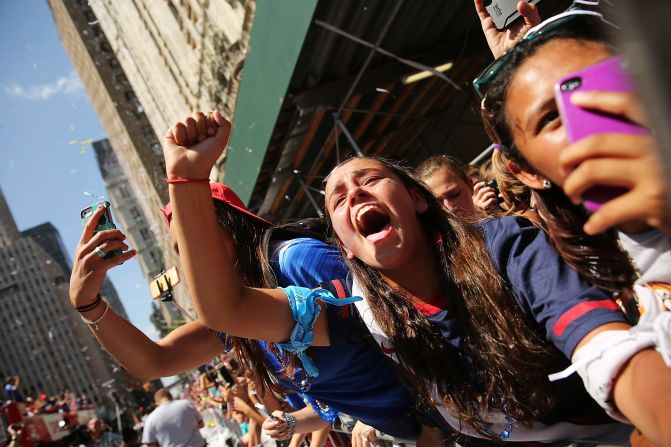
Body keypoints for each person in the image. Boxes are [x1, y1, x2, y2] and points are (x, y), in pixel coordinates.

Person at [162, 110, 671, 444]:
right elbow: (226, 310)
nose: (353, 193)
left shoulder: (501, 246)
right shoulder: (352, 309)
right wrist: (185, 178)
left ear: (417, 200)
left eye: (370, 180)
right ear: (342, 245)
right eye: (337, 198)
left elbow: (605, 349)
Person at [70, 182, 424, 441]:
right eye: (183, 250)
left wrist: (433, 423)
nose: (193, 259)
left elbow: (409, 330)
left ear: (233, 225)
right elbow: (154, 362)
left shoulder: (297, 260)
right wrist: (88, 304)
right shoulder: (231, 319)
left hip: (442, 421)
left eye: (199, 239)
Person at [474, 6, 671, 287]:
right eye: (551, 117)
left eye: (601, 81)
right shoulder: (568, 282)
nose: (590, 109)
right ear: (528, 172)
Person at [416, 155, 496, 217]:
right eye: (437, 204)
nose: (449, 209)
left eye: (454, 194)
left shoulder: (504, 226)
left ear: (470, 185)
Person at [141, 388, 205, 447]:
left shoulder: (150, 419)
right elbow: (201, 424)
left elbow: (151, 444)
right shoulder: (186, 404)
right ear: (171, 396)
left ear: (156, 403)